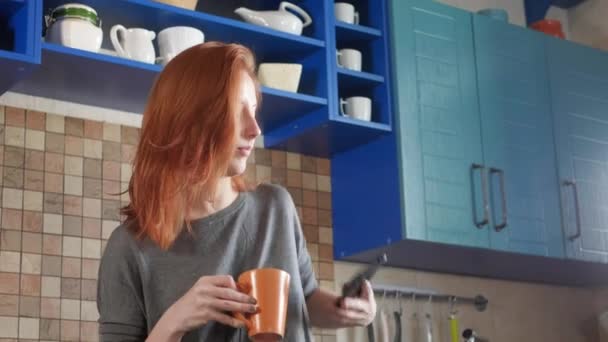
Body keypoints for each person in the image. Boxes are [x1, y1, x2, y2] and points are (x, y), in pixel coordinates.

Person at [97, 41, 376, 342]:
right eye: (236, 110)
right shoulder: (128, 248)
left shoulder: (276, 207)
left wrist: (345, 309)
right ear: (188, 120)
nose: (255, 129)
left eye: (254, 111)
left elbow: (304, 298)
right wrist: (175, 321)